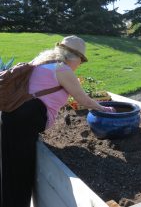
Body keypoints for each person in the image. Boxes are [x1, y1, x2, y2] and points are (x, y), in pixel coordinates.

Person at [0, 35, 115, 207]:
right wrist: (104, 108)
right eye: (81, 60)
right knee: (20, 172)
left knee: (9, 169)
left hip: (12, 117)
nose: (80, 64)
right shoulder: (62, 69)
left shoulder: (42, 60)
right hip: (25, 120)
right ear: (74, 56)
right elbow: (82, 99)